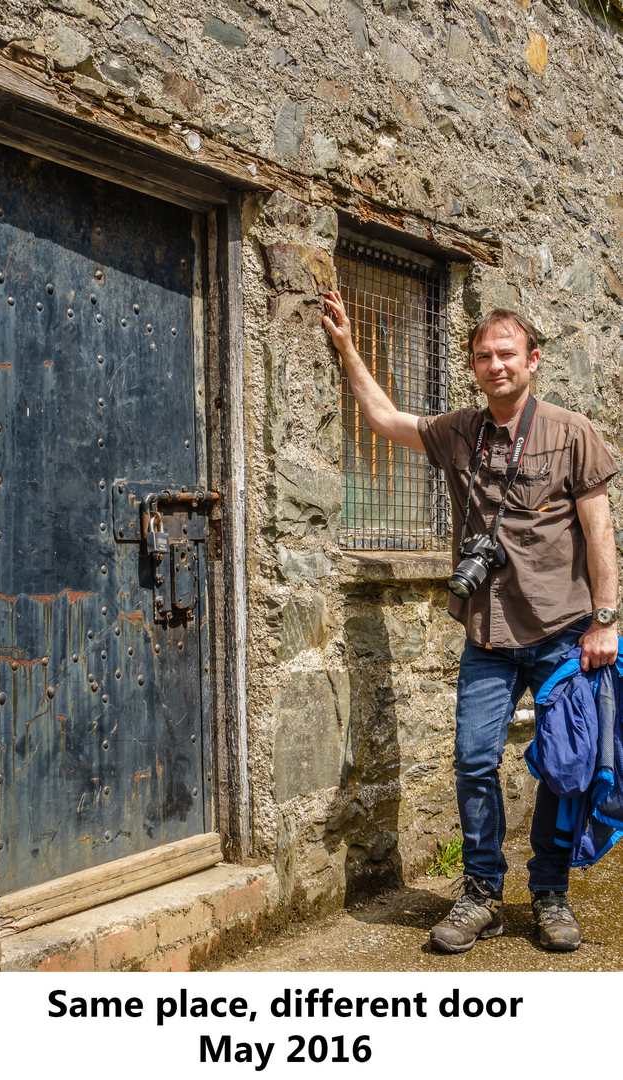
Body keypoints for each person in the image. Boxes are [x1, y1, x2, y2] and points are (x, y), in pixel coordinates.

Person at [321, 291, 618, 953]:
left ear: (532, 361)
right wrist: (345, 347)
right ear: (473, 366)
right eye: (482, 355)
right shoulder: (459, 430)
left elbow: (599, 534)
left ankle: (548, 894)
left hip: (563, 634)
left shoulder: (571, 433)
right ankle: (481, 891)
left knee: (562, 769)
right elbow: (382, 419)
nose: (493, 365)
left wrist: (604, 621)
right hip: (486, 635)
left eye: (505, 353)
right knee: (472, 761)